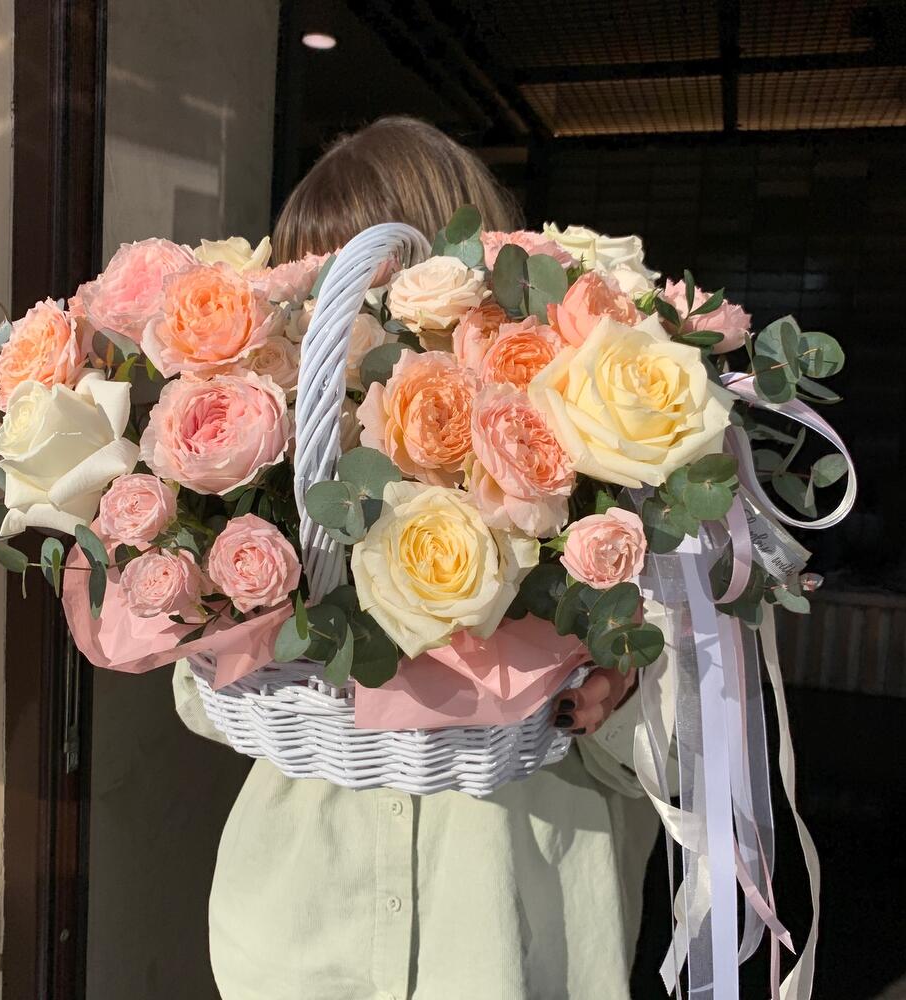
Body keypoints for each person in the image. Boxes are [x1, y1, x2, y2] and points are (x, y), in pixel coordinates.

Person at [173, 116, 657, 1000]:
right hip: (298, 938)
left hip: (508, 948)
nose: (339, 323)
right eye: (311, 297)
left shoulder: (596, 491)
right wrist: (238, 632)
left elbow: (675, 759)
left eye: (366, 297)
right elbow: (199, 704)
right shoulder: (289, 481)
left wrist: (622, 694)